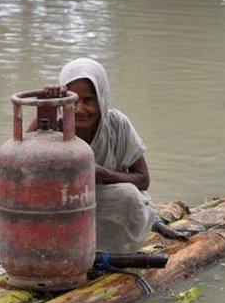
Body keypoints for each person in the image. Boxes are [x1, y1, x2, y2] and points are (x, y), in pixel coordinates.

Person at [38, 58, 160, 253]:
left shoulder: (117, 124)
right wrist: (47, 105)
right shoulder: (54, 127)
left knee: (128, 196)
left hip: (108, 212)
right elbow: (24, 156)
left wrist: (102, 174)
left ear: (101, 99)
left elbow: (143, 180)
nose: (80, 110)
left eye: (88, 101)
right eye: (73, 101)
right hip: (67, 211)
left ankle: (109, 251)